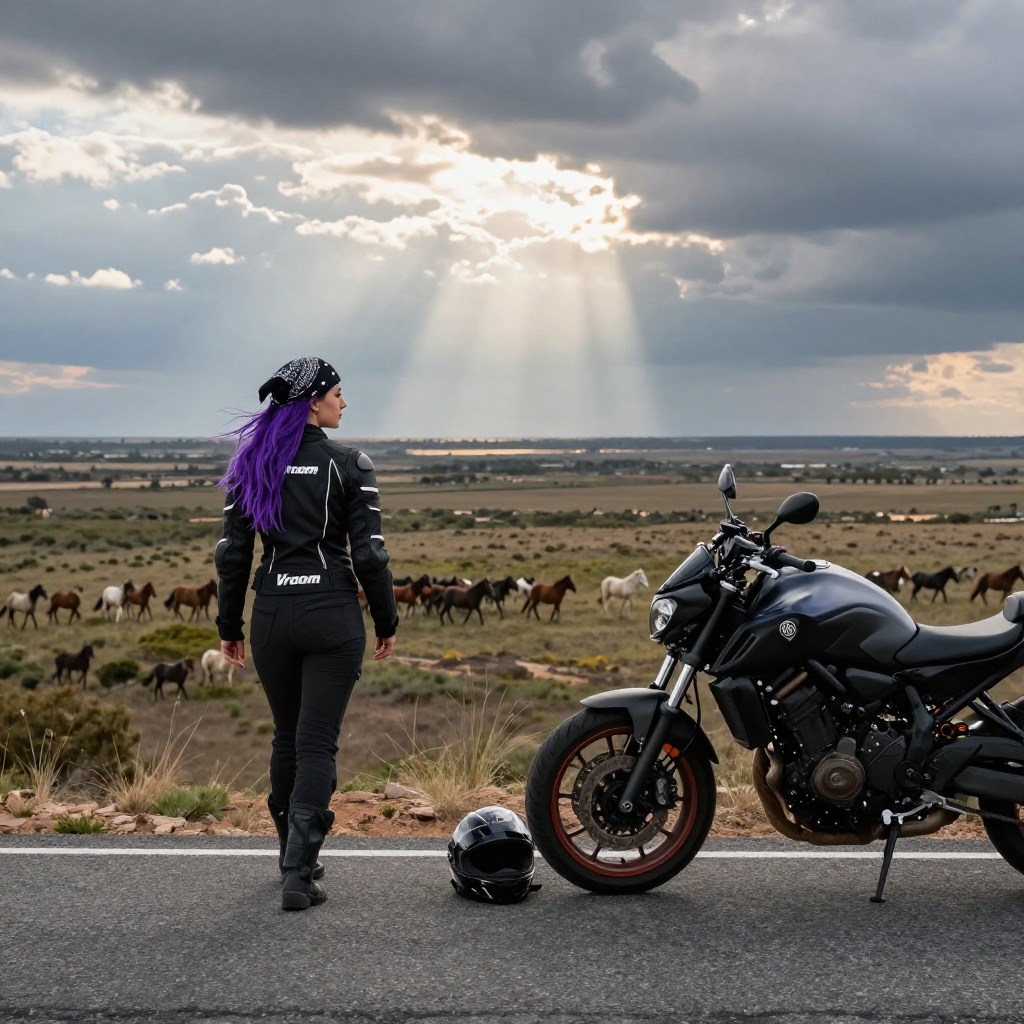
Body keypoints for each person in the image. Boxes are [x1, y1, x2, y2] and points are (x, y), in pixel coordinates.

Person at [215, 356, 399, 911]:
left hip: (272, 615)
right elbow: (370, 555)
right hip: (331, 615)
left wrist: (229, 626)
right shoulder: (350, 464)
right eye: (338, 393)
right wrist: (386, 620)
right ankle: (300, 871)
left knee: (287, 737)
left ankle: (290, 859)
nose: (345, 402)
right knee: (316, 743)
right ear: (314, 402)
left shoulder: (253, 464)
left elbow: (233, 555)